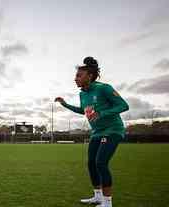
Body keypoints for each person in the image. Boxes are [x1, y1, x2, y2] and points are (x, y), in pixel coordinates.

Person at [55, 57, 129, 207]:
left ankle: (107, 203)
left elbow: (123, 105)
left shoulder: (104, 88)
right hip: (97, 132)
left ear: (89, 76)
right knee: (91, 164)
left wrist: (102, 113)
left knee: (101, 163)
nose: (75, 79)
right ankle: (97, 196)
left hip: (112, 130)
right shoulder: (82, 94)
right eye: (76, 76)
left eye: (78, 76)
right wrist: (65, 104)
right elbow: (84, 111)